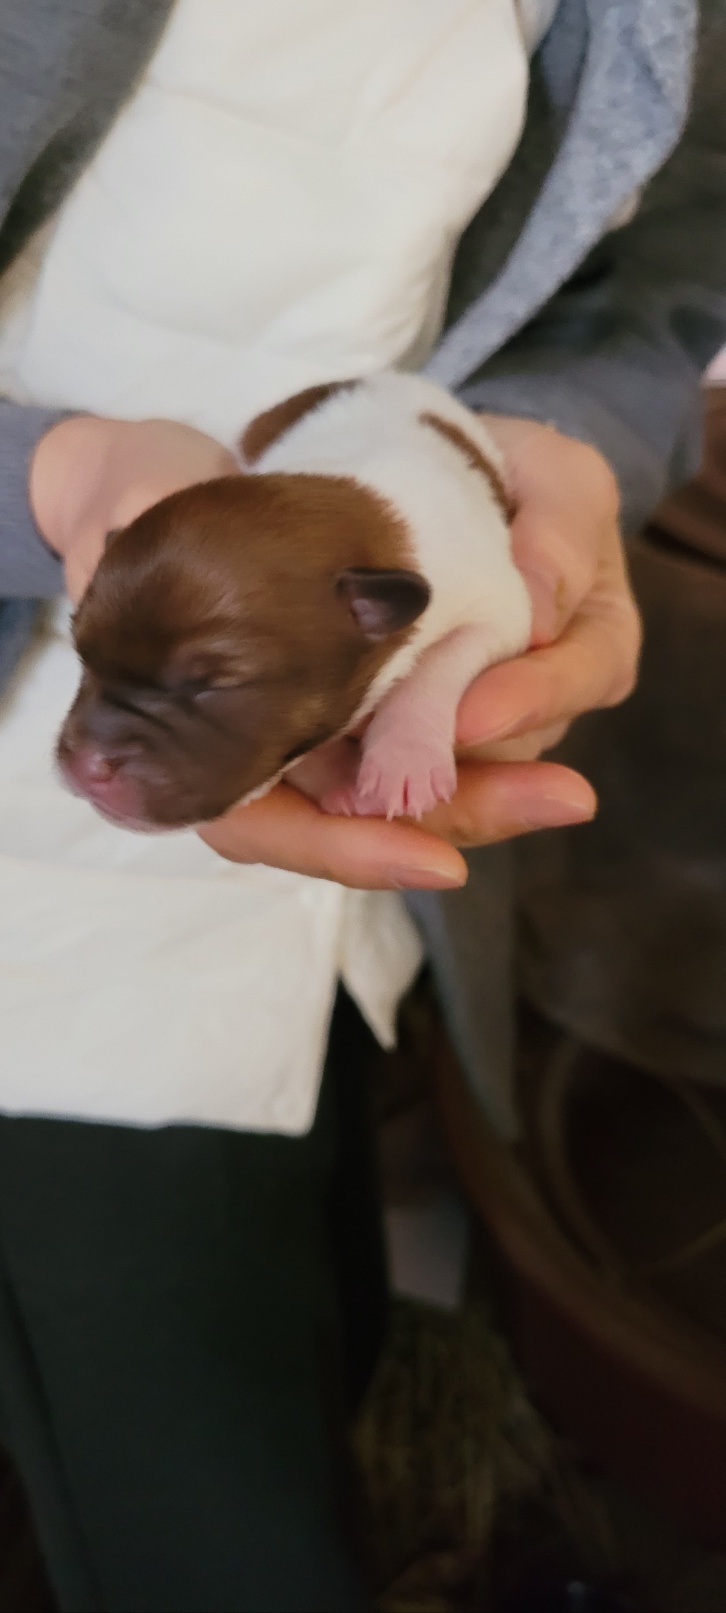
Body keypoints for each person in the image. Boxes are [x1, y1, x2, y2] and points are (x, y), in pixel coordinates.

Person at [0, 1, 724, 1608]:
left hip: (329, 833)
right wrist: (45, 483)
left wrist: (555, 455)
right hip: (34, 909)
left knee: (328, 1313)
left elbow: (671, 262)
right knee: (200, 1513)